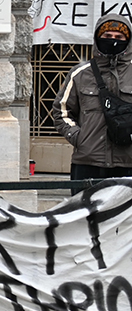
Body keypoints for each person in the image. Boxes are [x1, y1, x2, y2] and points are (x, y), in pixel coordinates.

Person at [53, 14, 132, 189]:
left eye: (119, 37)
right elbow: (61, 111)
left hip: (127, 163)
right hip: (87, 161)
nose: (113, 41)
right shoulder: (80, 74)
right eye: (107, 36)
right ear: (98, 38)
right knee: (83, 215)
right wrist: (79, 138)